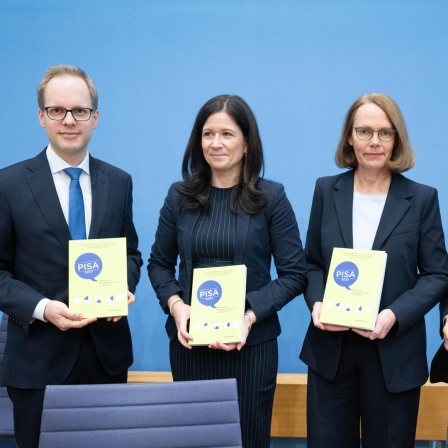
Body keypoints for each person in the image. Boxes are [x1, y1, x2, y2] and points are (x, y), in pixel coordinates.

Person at [148, 94, 307, 447]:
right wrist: (177, 306)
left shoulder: (271, 197)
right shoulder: (179, 196)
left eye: (227, 134)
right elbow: (159, 263)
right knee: (194, 440)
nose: (216, 143)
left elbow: (295, 273)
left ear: (247, 142)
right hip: (191, 347)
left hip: (250, 349)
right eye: (208, 134)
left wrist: (248, 315)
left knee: (248, 439)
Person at [0, 65, 142, 448]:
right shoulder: (8, 184)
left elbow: (130, 252)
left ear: (95, 118)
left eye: (79, 110)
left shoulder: (119, 181)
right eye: (57, 110)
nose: (68, 120)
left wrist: (124, 287)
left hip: (106, 359)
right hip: (37, 362)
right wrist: (44, 308)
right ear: (41, 116)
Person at [299, 93, 448, 448]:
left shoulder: (422, 198)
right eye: (364, 131)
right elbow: (312, 263)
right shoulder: (326, 190)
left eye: (385, 132)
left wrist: (394, 314)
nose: (374, 142)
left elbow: (438, 274)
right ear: (349, 137)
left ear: (397, 139)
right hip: (331, 350)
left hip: (393, 352)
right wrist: (317, 304)